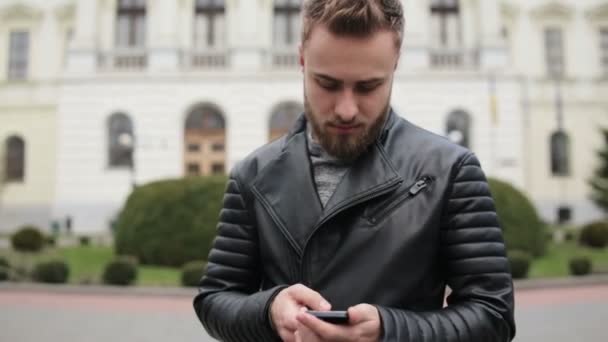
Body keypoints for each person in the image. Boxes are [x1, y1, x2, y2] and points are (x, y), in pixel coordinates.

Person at [193, 0, 515, 341]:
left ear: (396, 63)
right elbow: (215, 300)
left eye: (367, 87)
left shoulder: (451, 170)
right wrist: (269, 310)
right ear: (302, 59)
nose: (346, 110)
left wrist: (389, 332)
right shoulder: (252, 175)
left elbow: (493, 316)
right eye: (327, 84)